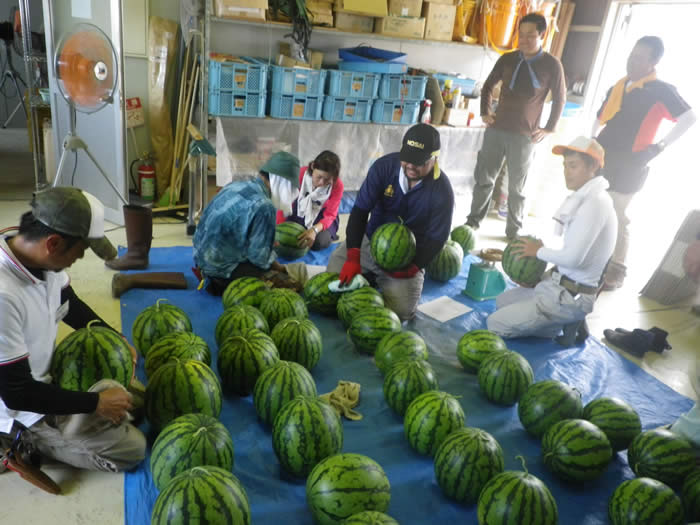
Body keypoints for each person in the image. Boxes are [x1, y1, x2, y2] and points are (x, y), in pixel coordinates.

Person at [0, 187, 145, 477]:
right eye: (78, 254)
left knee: (137, 405)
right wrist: (95, 404)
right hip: (21, 409)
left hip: (44, 379)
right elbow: (17, 394)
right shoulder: (4, 296)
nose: (77, 261)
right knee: (132, 449)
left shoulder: (37, 252)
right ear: (54, 243)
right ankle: (21, 442)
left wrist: (113, 338)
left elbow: (70, 303)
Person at [487, 137, 616, 339]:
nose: (566, 172)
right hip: (560, 287)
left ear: (592, 166)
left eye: (573, 166)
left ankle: (556, 326)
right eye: (565, 165)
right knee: (501, 302)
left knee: (495, 324)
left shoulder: (594, 204)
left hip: (571, 297)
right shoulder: (587, 198)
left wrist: (536, 251)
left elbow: (574, 259)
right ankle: (557, 320)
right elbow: (572, 260)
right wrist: (539, 278)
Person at [594, 36, 696, 290]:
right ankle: (594, 260)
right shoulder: (619, 86)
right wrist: (592, 143)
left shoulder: (660, 90)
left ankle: (617, 269)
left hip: (632, 163)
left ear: (654, 61)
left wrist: (659, 147)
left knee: (618, 214)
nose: (632, 60)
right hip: (604, 156)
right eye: (631, 54)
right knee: (596, 208)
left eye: (639, 57)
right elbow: (600, 118)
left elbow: (689, 117)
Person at [326, 123, 454, 321]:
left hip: (407, 257)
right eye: (407, 159)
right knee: (331, 282)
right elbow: (360, 211)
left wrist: (413, 266)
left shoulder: (442, 191)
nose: (410, 165)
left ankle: (374, 281)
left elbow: (437, 239)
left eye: (418, 162)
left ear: (434, 159)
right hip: (370, 242)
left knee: (400, 312)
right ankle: (369, 276)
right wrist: (353, 256)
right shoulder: (383, 167)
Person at [466, 12, 566, 240]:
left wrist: (550, 127)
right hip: (496, 129)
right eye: (521, 35)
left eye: (530, 36)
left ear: (543, 34)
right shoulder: (508, 58)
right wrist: (485, 112)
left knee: (517, 188)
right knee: (484, 179)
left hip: (524, 135)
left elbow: (560, 98)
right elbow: (488, 86)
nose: (524, 40)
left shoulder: (552, 65)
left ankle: (513, 231)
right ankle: (473, 222)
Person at [193, 151, 302, 295]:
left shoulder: (237, 185)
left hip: (201, 262)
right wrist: (279, 266)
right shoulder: (265, 206)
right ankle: (220, 285)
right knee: (293, 287)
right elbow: (259, 259)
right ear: (282, 184)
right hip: (221, 274)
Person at [276, 150, 344, 251]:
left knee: (317, 243)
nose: (321, 183)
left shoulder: (337, 186)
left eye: (327, 180)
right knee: (289, 238)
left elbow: (330, 215)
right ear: (312, 166)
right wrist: (279, 229)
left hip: (321, 217)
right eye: (319, 177)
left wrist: (314, 230)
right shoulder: (298, 174)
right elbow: (284, 202)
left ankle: (329, 235)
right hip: (298, 211)